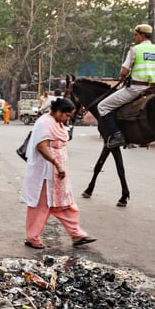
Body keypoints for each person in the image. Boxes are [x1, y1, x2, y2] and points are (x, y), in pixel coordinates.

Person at [20, 97, 96, 250]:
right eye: (66, 115)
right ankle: (32, 237)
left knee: (66, 205)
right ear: (58, 111)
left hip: (58, 173)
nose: (68, 119)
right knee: (41, 206)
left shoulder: (58, 122)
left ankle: (77, 234)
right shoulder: (44, 123)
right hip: (46, 173)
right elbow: (42, 146)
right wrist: (57, 164)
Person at [97, 23, 155, 149]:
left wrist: (123, 77)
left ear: (142, 35)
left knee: (102, 106)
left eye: (136, 35)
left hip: (135, 89)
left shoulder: (135, 49)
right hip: (152, 90)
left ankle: (118, 135)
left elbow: (123, 72)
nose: (134, 38)